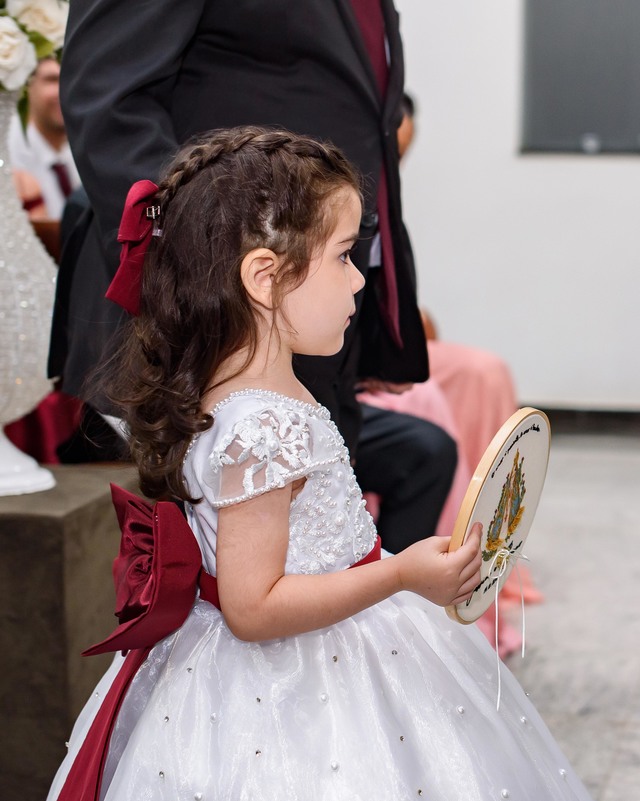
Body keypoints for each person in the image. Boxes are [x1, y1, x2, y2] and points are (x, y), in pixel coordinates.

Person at [46, 127, 591, 800]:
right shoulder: (263, 426)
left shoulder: (242, 392)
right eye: (343, 255)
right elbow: (253, 606)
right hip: (293, 682)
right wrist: (398, 574)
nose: (359, 278)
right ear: (264, 277)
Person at [55, 0, 458, 547]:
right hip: (220, 317)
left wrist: (378, 304)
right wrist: (209, 265)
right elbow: (109, 98)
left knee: (317, 540)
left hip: (316, 309)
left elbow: (364, 121)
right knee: (215, 567)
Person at [7, 57, 79, 222]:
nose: (64, 91)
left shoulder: (80, 153)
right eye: (52, 80)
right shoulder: (9, 159)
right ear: (27, 88)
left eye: (70, 79)